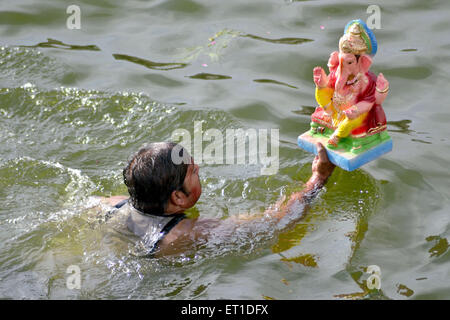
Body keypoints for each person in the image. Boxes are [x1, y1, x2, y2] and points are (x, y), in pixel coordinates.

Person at [103, 141, 335, 257]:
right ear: (178, 198)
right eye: (193, 172)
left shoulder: (112, 204)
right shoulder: (188, 233)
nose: (199, 169)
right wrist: (318, 179)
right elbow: (275, 221)